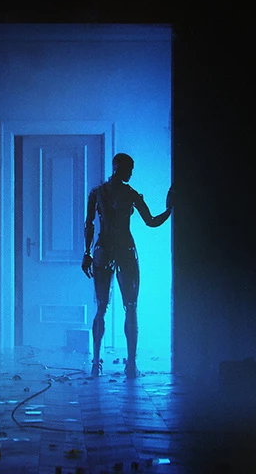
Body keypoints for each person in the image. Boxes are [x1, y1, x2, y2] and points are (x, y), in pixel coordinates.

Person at [82, 153, 173, 378]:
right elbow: (151, 221)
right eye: (129, 169)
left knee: (101, 306)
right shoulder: (129, 193)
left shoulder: (98, 193)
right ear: (118, 168)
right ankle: (130, 365)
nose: (131, 173)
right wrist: (169, 209)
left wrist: (87, 253)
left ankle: (96, 363)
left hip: (103, 248)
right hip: (125, 249)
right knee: (130, 306)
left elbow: (89, 225)